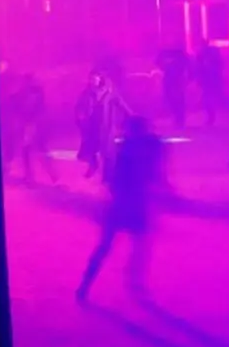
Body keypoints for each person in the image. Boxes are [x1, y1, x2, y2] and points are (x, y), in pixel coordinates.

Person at [77, 116, 169, 301]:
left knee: (110, 246)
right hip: (133, 204)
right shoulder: (146, 148)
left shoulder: (126, 150)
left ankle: (86, 285)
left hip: (122, 204)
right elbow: (154, 173)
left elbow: (113, 180)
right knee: (137, 245)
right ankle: (132, 282)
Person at [75, 70, 129, 182]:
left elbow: (121, 104)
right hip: (91, 125)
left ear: (100, 79)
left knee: (107, 152)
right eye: (90, 79)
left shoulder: (109, 92)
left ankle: (107, 176)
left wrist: (131, 115)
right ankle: (93, 165)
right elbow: (79, 105)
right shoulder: (87, 93)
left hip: (106, 125)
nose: (92, 81)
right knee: (89, 149)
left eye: (94, 79)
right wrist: (80, 116)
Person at [11, 72, 58, 184]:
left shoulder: (31, 93)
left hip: (32, 125)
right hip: (30, 125)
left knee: (32, 150)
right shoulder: (27, 93)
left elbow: (36, 110)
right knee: (32, 150)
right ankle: (47, 174)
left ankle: (44, 174)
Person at [155, 45, 191, 128]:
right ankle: (177, 117)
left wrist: (188, 77)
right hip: (169, 79)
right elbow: (157, 62)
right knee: (170, 98)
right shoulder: (164, 52)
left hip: (178, 79)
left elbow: (188, 65)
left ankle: (180, 119)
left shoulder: (180, 54)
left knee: (178, 99)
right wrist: (164, 66)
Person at [196, 42, 225, 127]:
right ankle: (211, 116)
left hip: (209, 80)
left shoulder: (206, 57)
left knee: (208, 98)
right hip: (210, 80)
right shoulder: (208, 58)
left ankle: (211, 117)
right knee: (208, 98)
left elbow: (199, 69)